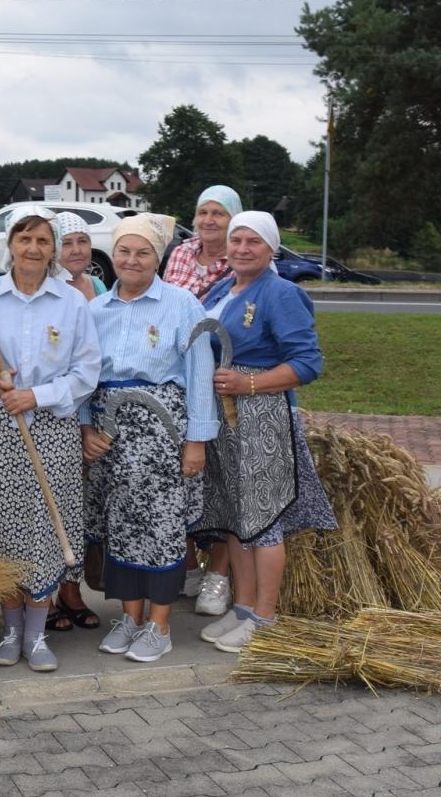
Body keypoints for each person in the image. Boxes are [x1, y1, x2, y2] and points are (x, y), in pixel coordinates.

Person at [0, 206, 100, 672]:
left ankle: (36, 635)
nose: (33, 248)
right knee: (0, 524)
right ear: (10, 245)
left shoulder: (71, 302)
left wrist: (36, 395)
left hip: (50, 430)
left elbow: (87, 370)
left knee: (45, 528)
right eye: (24, 239)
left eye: (43, 241)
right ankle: (10, 630)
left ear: (54, 250)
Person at [196, 210, 336, 654]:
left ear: (272, 248)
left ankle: (265, 617)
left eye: (253, 241)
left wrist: (249, 384)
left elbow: (307, 363)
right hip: (226, 416)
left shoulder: (281, 293)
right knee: (238, 518)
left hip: (263, 416)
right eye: (236, 240)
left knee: (264, 518)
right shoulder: (224, 287)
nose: (242, 249)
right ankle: (242, 608)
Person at [81, 213, 217, 663]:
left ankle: (159, 625)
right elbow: (83, 376)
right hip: (110, 433)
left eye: (143, 253)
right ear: (113, 254)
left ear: (157, 259)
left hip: (162, 432)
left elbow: (200, 373)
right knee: (119, 525)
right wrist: (85, 428)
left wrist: (196, 440)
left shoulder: (181, 304)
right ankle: (130, 617)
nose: (132, 260)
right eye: (124, 251)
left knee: (160, 527)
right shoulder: (96, 310)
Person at [161, 184, 244, 617]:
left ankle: (219, 574)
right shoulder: (180, 253)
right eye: (203, 212)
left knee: (226, 479)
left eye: (219, 213)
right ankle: (190, 564)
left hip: (224, 382)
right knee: (187, 475)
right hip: (182, 379)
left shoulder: (243, 257)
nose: (209, 220)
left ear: (234, 219)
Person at [45, 210, 104, 633]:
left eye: (83, 241)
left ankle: (71, 589)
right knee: (46, 505)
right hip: (62, 411)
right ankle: (43, 594)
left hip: (96, 410)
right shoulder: (50, 290)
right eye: (67, 242)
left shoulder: (97, 287)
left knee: (76, 508)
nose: (77, 250)